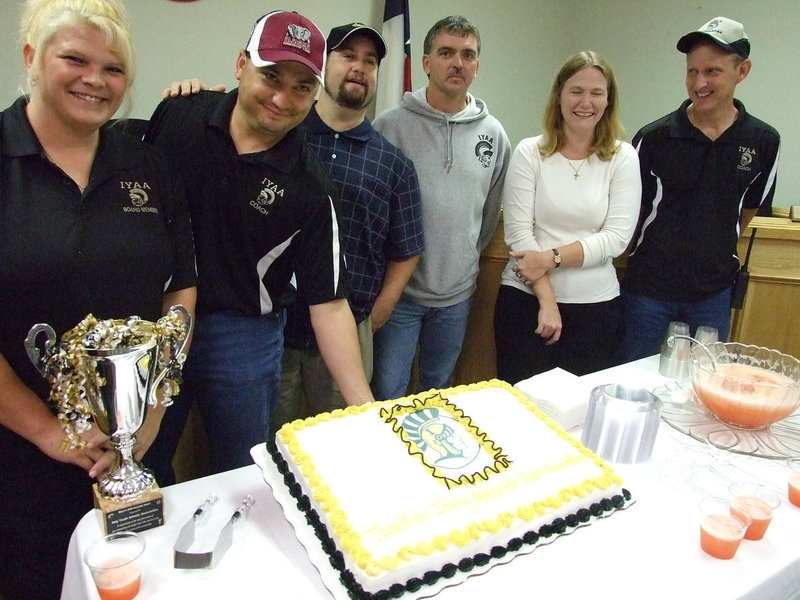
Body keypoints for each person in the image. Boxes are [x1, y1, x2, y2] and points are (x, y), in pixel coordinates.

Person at [0, 1, 197, 598]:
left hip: (137, 444)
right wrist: (48, 433)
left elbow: (180, 289)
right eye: (75, 59)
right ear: (33, 58)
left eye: (113, 69)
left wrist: (154, 404)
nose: (95, 80)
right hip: (21, 456)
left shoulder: (148, 164)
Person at [143, 10, 374, 483]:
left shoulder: (311, 189)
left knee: (242, 472)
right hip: (156, 319)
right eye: (271, 76)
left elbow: (329, 304)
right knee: (144, 459)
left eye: (301, 88)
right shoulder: (179, 115)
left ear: (314, 95)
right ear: (240, 64)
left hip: (242, 333)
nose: (281, 98)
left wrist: (364, 406)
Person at [271, 23, 424, 431]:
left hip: (349, 333)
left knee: (344, 446)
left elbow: (407, 248)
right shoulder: (281, 138)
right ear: (322, 65)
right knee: (269, 443)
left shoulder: (394, 165)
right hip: (275, 328)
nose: (359, 68)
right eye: (348, 56)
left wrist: (376, 314)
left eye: (370, 61)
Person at [620, 16, 780, 361]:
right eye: (692, 71)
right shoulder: (654, 137)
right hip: (647, 290)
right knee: (628, 380)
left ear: (742, 71)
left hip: (713, 295)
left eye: (712, 72)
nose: (699, 82)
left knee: (701, 389)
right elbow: (631, 212)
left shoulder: (764, 141)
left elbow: (749, 210)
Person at [370, 15, 510, 401]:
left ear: (477, 65)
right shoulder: (390, 126)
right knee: (386, 393)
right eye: (446, 52)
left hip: (457, 295)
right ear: (427, 62)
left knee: (437, 393)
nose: (458, 63)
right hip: (400, 295)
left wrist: (464, 255)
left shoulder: (493, 134)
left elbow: (488, 214)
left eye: (468, 55)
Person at [493, 51, 640, 383]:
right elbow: (518, 234)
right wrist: (547, 300)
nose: (585, 102)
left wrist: (550, 258)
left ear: (608, 100)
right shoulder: (529, 152)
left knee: (577, 416)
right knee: (517, 408)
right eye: (576, 90)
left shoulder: (623, 158)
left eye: (596, 93)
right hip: (526, 303)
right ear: (559, 95)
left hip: (595, 309)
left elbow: (615, 239)